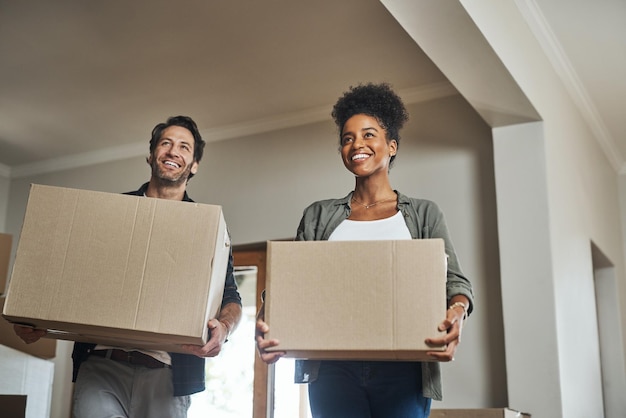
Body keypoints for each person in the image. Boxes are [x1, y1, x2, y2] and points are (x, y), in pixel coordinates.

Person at [255, 83, 474, 418]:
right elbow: (289, 287)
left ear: (392, 145)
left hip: (405, 369)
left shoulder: (425, 214)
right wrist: (266, 320)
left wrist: (456, 314)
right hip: (331, 370)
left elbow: (456, 284)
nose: (356, 144)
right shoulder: (318, 215)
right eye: (347, 138)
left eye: (369, 134)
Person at [14, 115, 242, 418]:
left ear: (194, 164)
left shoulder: (209, 229)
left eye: (184, 147)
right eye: (166, 143)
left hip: (168, 376)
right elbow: (71, 274)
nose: (174, 151)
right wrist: (31, 314)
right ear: (151, 155)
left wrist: (224, 328)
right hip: (101, 367)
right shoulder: (111, 213)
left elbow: (231, 297)